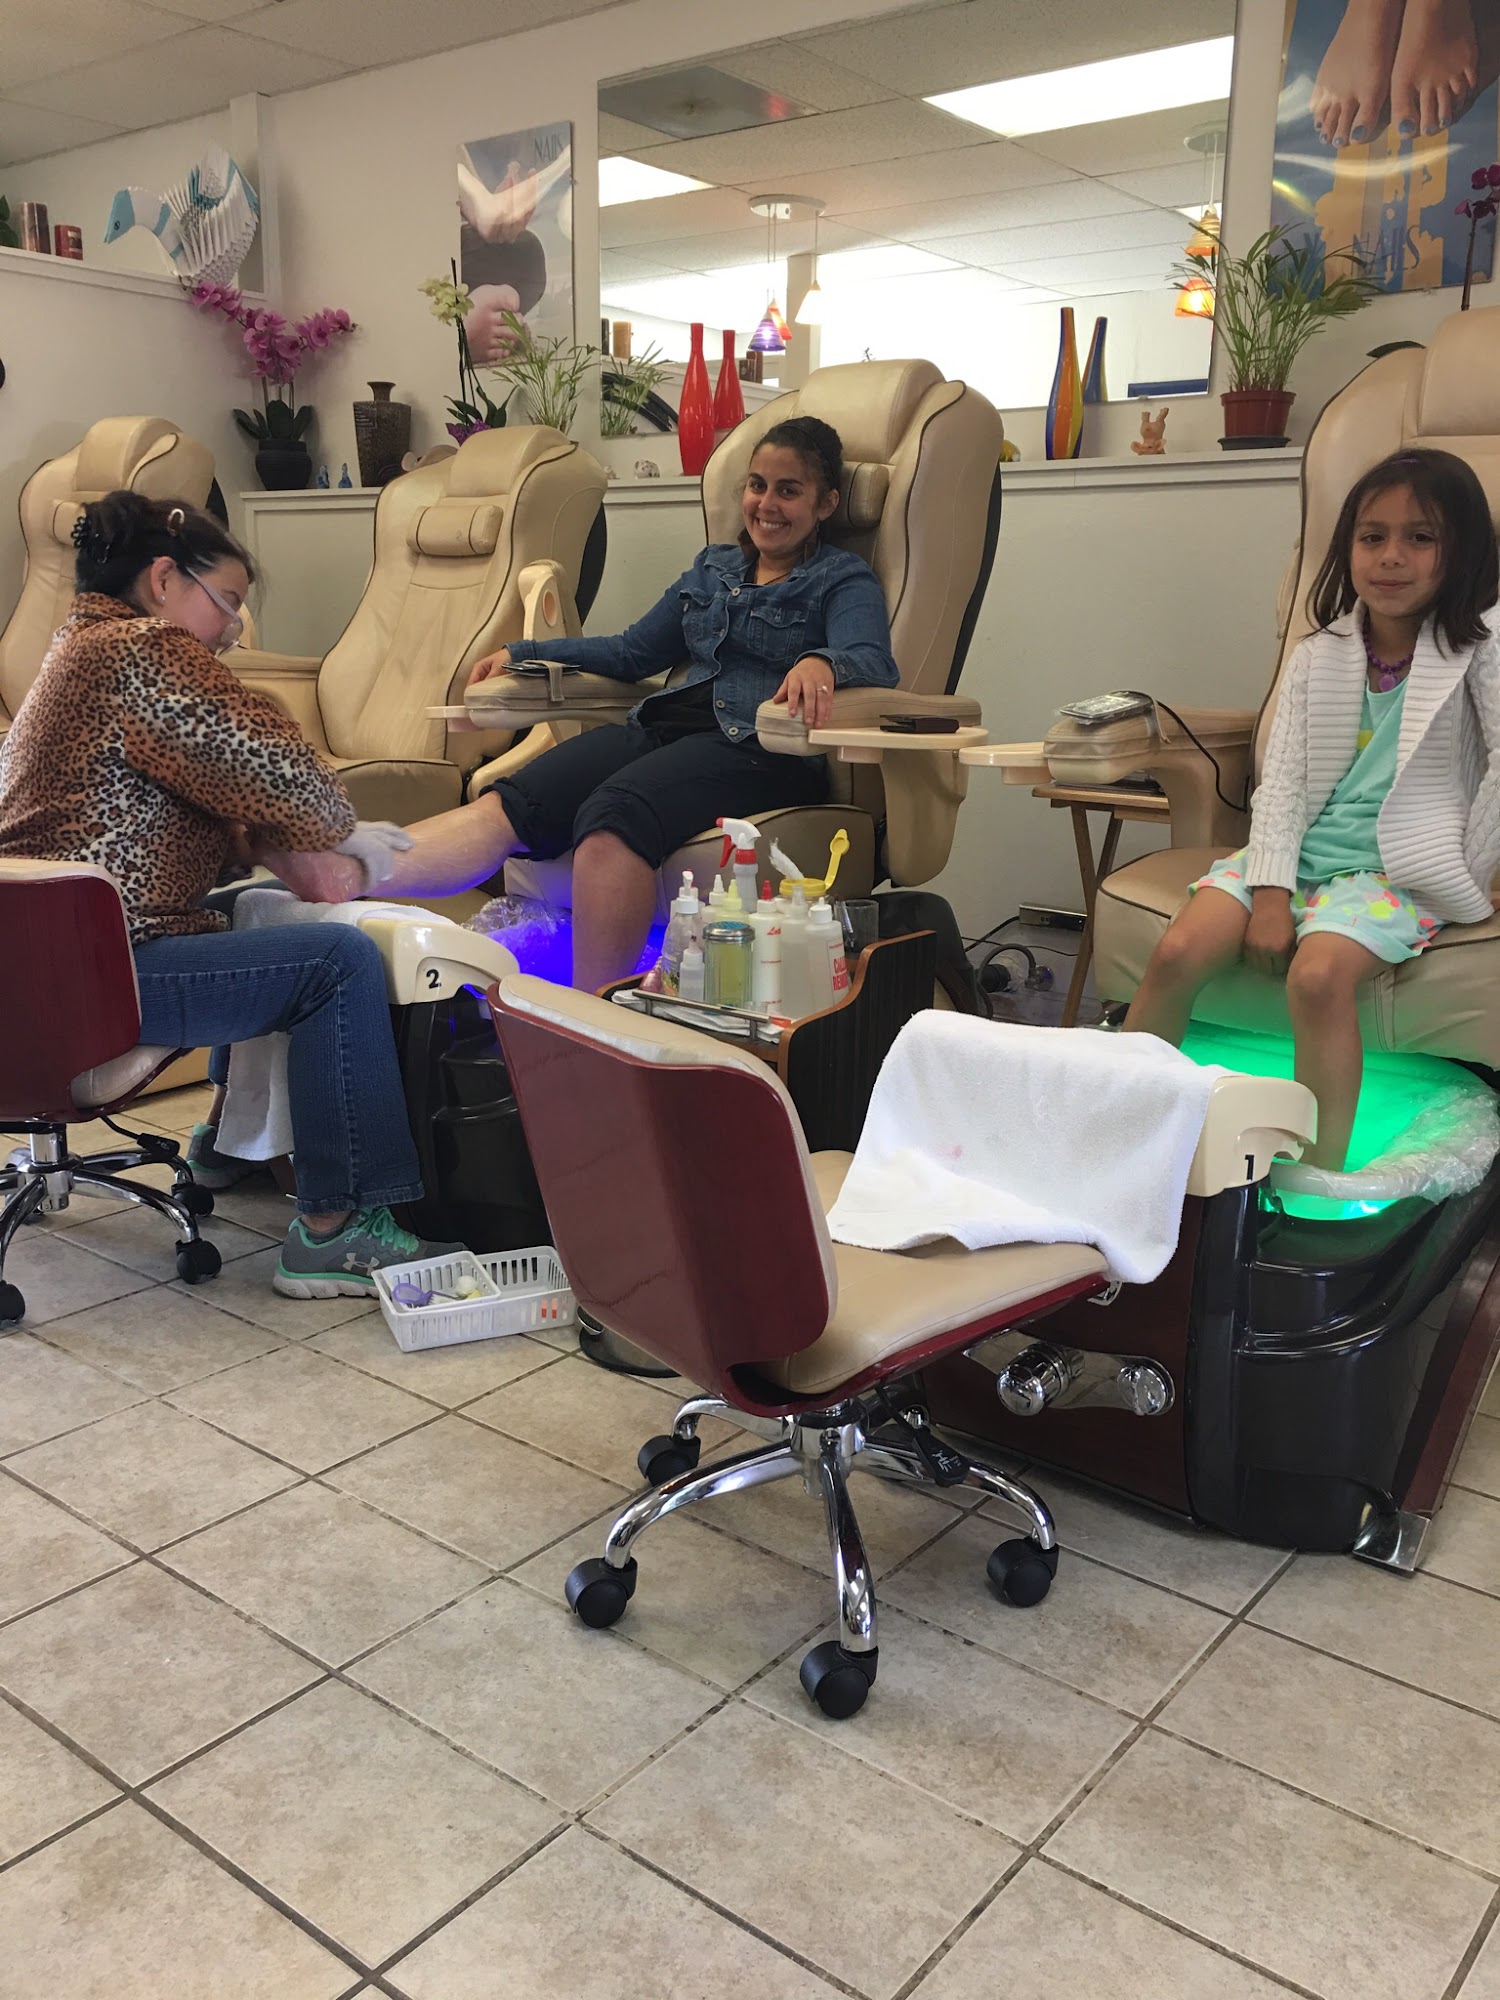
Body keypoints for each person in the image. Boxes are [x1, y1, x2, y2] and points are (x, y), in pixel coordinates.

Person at [0, 492, 456, 1297]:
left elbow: (160, 821)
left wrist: (258, 843)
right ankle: (337, 1229)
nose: (236, 628)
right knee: (337, 961)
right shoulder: (145, 649)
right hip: (91, 982)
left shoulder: (74, 649)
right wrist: (342, 831)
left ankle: (222, 1145)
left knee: (249, 913)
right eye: (229, 600)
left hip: (34, 975)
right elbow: (285, 773)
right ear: (164, 579)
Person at [299, 415, 900, 990]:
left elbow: (873, 661)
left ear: (826, 503)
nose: (766, 504)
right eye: (757, 485)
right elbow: (632, 652)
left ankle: (592, 1021)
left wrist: (823, 662)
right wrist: (527, 652)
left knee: (614, 816)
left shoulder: (841, 579)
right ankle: (341, 872)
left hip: (758, 748)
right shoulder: (713, 570)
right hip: (663, 729)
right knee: (516, 800)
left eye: (789, 491)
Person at [1123, 447, 1500, 1171]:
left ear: (1462, 553)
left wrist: (1479, 872)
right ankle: (1126, 1126)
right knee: (1175, 951)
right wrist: (1270, 891)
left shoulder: (1480, 648)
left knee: (1318, 977)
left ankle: (1315, 1175)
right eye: (1372, 536)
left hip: (1398, 872)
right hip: (1300, 853)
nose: (1391, 556)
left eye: (1421, 537)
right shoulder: (1319, 655)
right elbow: (1284, 784)